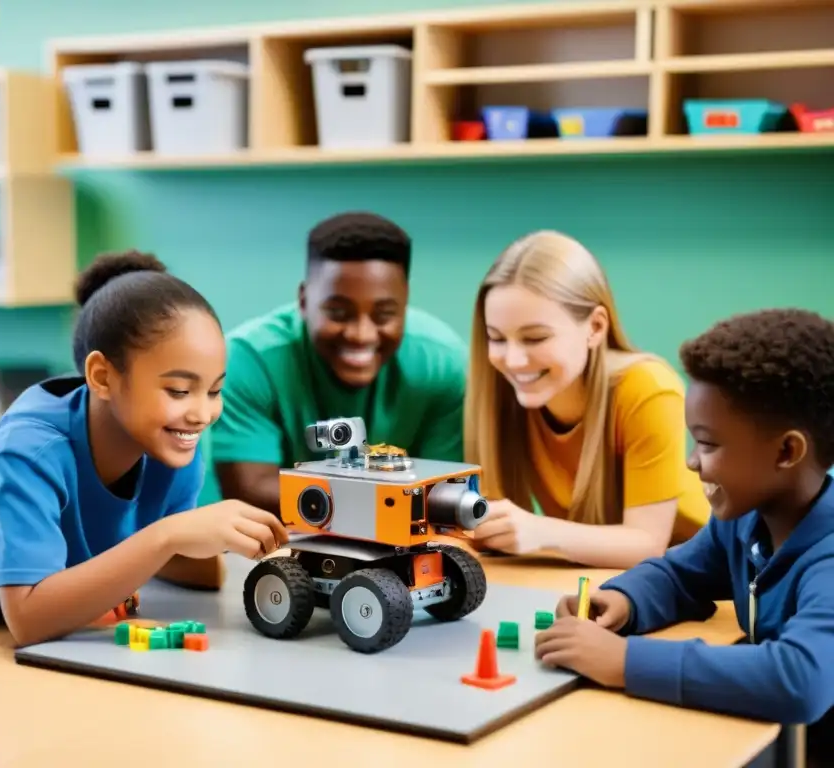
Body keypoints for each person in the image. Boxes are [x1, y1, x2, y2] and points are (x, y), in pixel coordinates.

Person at [0, 251, 287, 657]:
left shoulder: (171, 445)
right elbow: (30, 619)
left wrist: (202, 540)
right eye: (180, 390)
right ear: (101, 377)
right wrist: (166, 536)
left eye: (214, 391)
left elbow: (191, 570)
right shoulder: (25, 455)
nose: (201, 413)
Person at [534, 308, 834, 767]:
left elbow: (800, 679)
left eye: (709, 444)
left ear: (787, 451)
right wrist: (624, 601)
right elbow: (681, 575)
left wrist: (624, 661)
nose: (693, 462)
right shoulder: (744, 520)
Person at [464, 230, 709, 568]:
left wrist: (540, 532)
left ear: (595, 327)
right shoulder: (501, 394)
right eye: (496, 338)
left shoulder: (649, 388)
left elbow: (647, 544)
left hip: (703, 577)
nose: (514, 360)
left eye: (535, 338)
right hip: (594, 577)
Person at [211, 211, 467, 515]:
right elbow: (249, 491)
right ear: (304, 301)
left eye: (384, 314)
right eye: (338, 313)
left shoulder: (444, 364)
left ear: (405, 302)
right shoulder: (248, 359)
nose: (361, 334)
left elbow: (443, 490)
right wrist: (377, 504)